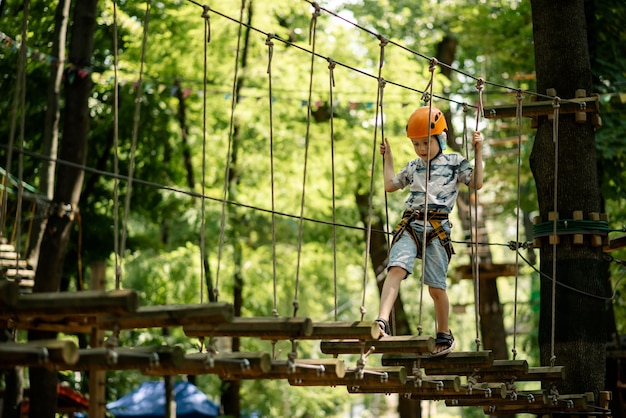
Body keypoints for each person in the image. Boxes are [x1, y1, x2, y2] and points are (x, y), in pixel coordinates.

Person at [375, 106, 483, 357]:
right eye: (416, 144)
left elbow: (476, 183)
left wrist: (478, 150)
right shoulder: (413, 166)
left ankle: (443, 332)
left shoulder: (455, 162)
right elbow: (391, 185)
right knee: (396, 268)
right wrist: (387, 158)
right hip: (410, 223)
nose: (421, 149)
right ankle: (382, 320)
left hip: (438, 228)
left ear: (440, 138)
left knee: (435, 287)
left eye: (426, 143)